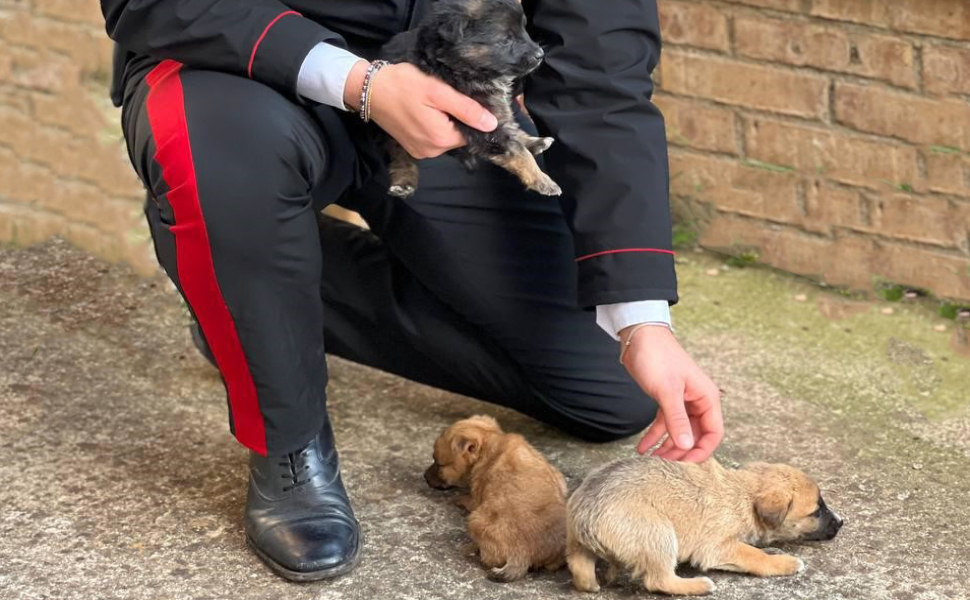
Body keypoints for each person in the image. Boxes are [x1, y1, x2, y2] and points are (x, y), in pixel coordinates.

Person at [100, 0, 723, 582]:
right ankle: (286, 433)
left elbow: (602, 68)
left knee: (606, 395)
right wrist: (362, 83)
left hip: (444, 97)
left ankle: (245, 284)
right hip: (245, 72)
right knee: (217, 153)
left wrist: (642, 318)